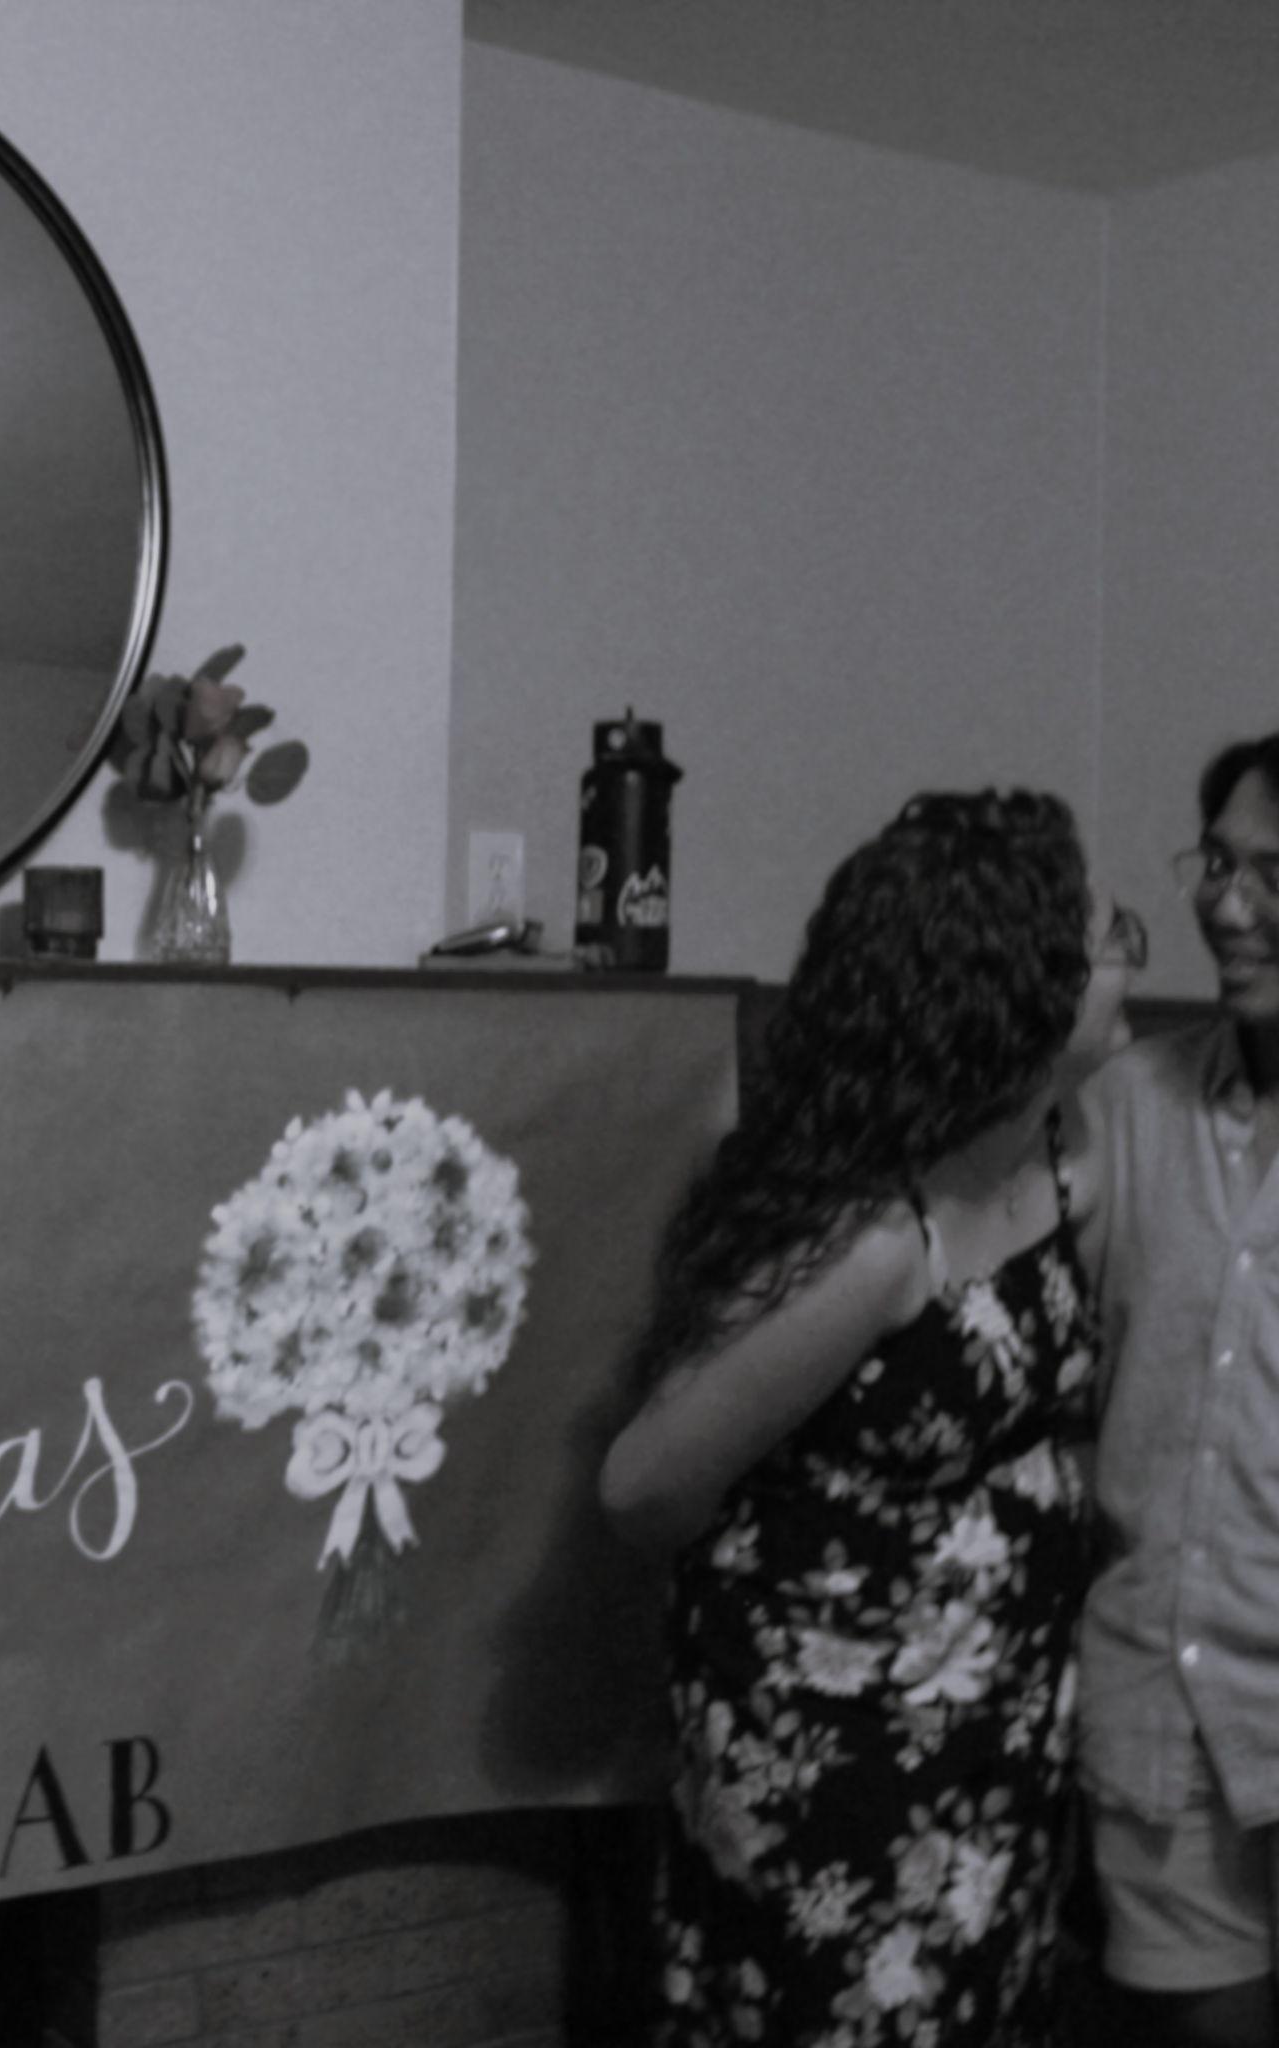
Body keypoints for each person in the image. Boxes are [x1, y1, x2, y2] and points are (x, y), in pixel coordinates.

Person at [599, 788, 1143, 2045]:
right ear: (1018, 988)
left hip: (990, 1752)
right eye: (1107, 934)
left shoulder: (1057, 1156)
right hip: (834, 1769)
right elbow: (641, 1487)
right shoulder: (872, 1240)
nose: (1129, 955)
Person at [1075, 731, 1279, 2047]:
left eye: (1272, 872)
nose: (1227, 904)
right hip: (1157, 1712)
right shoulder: (1128, 1106)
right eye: (1213, 863)